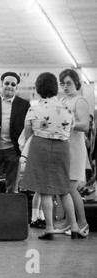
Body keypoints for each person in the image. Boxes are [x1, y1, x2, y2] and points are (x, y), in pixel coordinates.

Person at [21, 72, 79, 240]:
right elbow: (71, 129)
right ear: (55, 87)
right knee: (64, 189)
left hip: (41, 146)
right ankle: (74, 227)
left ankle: (49, 228)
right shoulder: (66, 107)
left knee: (44, 189)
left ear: (38, 88)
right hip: (62, 147)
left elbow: (27, 132)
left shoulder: (34, 108)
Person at [55, 69, 90, 238]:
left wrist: (67, 123)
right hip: (63, 149)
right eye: (62, 83)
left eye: (68, 83)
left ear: (76, 83)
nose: (65, 86)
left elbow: (85, 126)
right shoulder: (61, 101)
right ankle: (70, 222)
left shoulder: (80, 100)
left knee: (71, 187)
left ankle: (83, 223)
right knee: (63, 187)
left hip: (75, 149)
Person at [0, 72, 30, 193]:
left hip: (13, 150)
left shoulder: (23, 104)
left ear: (16, 87)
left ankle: (10, 210)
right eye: (7, 83)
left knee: (12, 186)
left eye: (13, 84)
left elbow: (27, 127)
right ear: (1, 84)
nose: (9, 86)